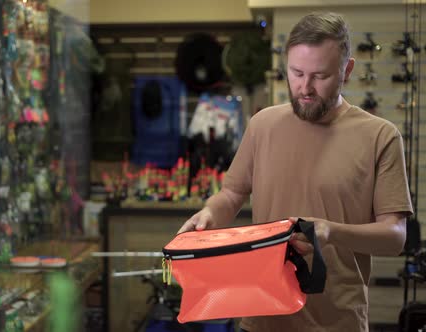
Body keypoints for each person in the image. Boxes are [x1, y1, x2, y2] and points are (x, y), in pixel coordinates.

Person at [177, 12, 413, 332]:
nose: (305, 88)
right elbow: (232, 193)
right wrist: (209, 214)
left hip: (337, 322)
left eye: (320, 76)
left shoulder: (380, 137)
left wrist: (331, 231)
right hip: (261, 318)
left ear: (347, 70)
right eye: (296, 73)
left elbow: (395, 237)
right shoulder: (263, 125)